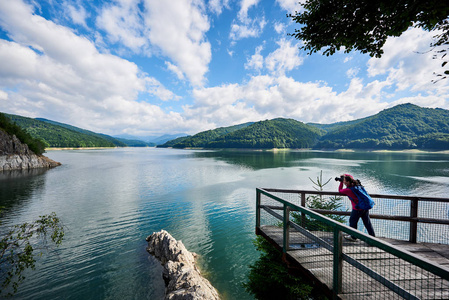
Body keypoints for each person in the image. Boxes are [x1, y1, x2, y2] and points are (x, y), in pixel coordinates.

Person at [337, 174, 375, 241]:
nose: (344, 182)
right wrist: (344, 175)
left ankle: (353, 237)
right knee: (367, 223)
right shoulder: (356, 185)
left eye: (344, 181)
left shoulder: (348, 190)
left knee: (352, 222)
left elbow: (340, 190)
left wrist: (341, 183)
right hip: (364, 207)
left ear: (347, 182)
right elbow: (350, 176)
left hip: (357, 209)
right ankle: (373, 237)